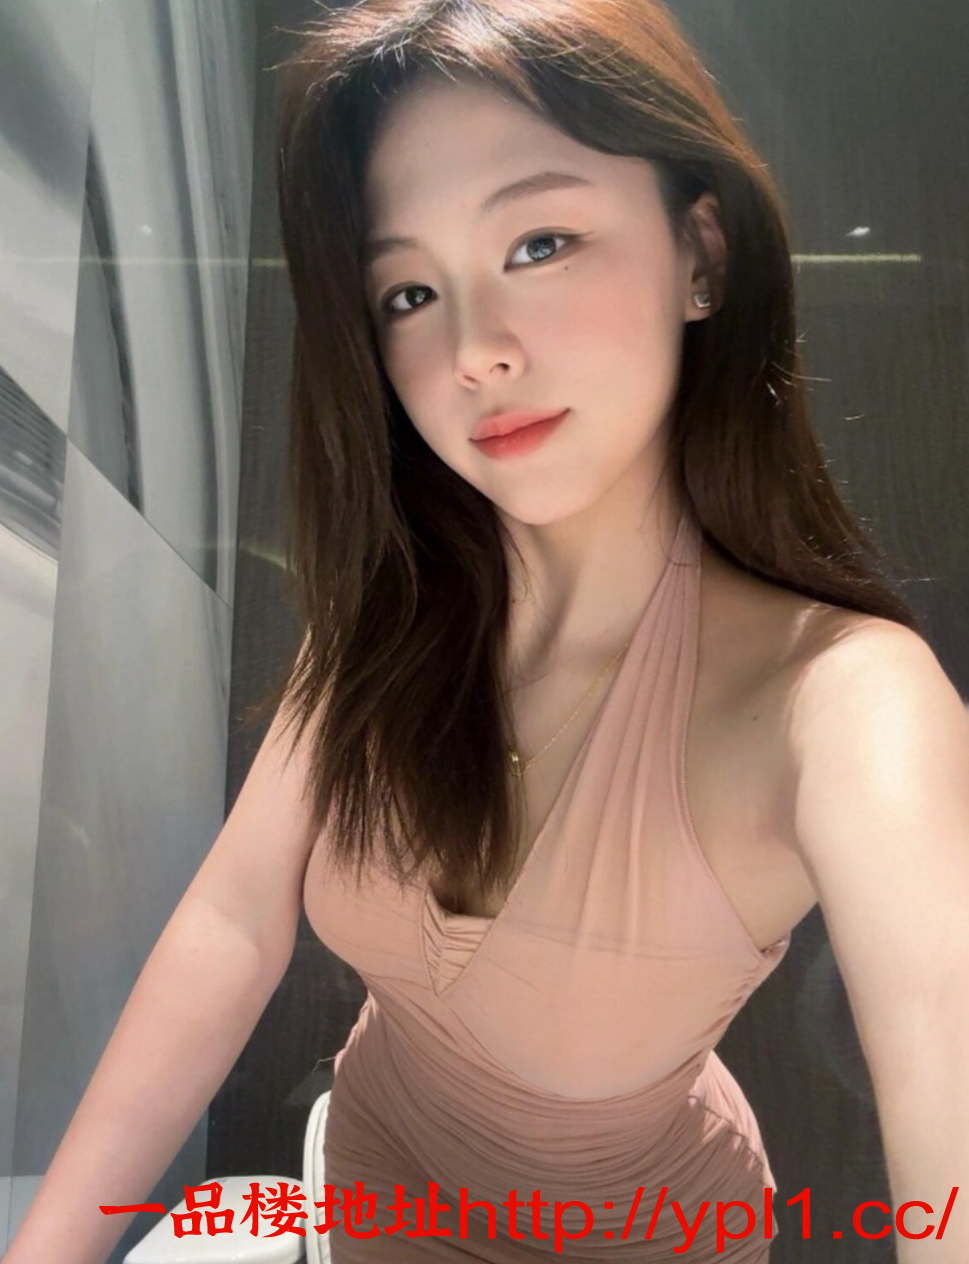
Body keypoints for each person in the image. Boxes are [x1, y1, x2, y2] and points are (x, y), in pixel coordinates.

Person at [7, 1, 968, 1262]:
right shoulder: (388, 618)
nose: (473, 352)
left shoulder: (843, 701)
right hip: (371, 1183)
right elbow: (232, 925)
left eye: (540, 242)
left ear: (700, 254)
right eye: (410, 290)